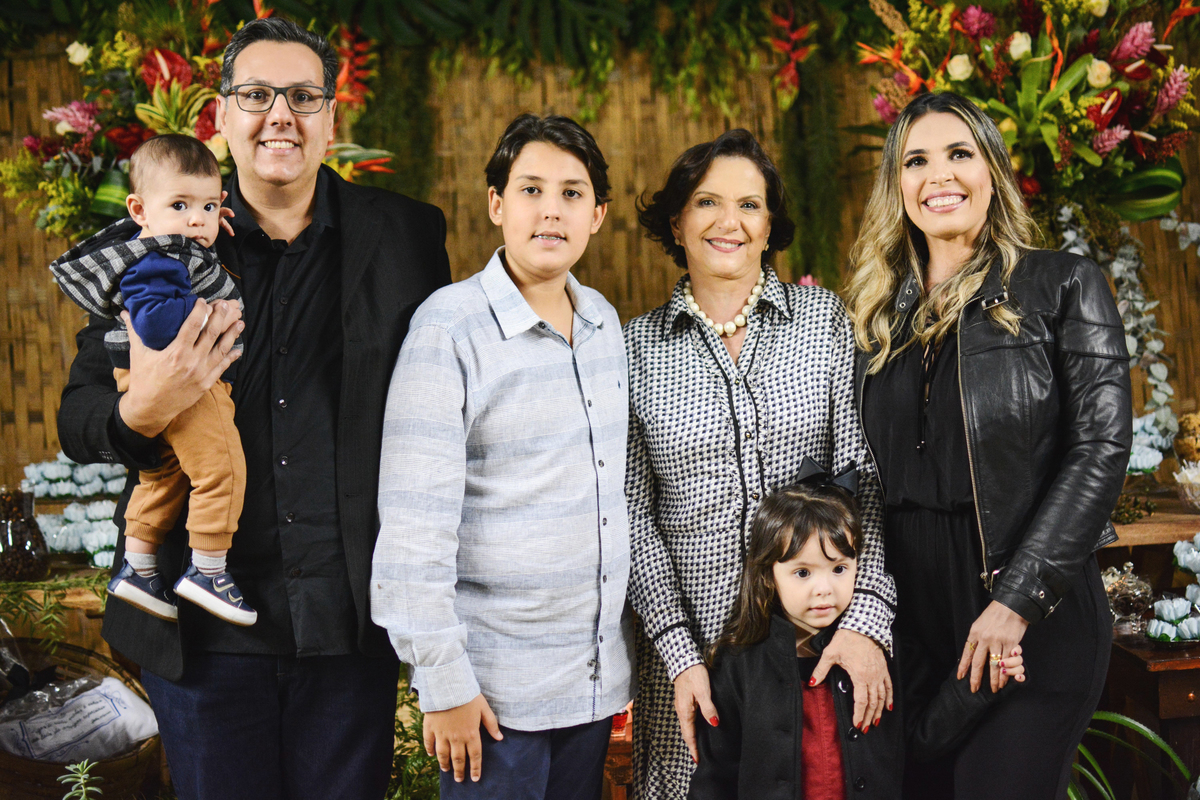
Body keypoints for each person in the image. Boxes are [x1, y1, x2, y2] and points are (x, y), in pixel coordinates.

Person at [57, 16, 451, 800]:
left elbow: (442, 414)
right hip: (202, 640)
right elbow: (78, 417)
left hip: (348, 626)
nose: (281, 115)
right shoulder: (166, 230)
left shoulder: (407, 234)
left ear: (331, 117)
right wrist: (143, 408)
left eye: (303, 96)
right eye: (257, 94)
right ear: (221, 114)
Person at [844, 91, 1131, 799]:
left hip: (1030, 616)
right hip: (914, 631)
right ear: (897, 185)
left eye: (959, 154)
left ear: (993, 172)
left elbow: (1100, 449)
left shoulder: (1062, 284)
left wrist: (1016, 602)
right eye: (916, 161)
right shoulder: (876, 316)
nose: (938, 175)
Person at [624, 129, 896, 799]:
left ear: (770, 224)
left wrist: (867, 620)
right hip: (697, 663)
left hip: (822, 655)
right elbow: (631, 518)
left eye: (750, 204)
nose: (730, 222)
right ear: (676, 222)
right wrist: (679, 654)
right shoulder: (635, 350)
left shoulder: (823, 322)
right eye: (707, 202)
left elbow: (867, 483)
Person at [371, 114, 634, 800]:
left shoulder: (604, 323)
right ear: (496, 204)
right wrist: (444, 684)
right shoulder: (448, 328)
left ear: (597, 215)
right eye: (531, 189)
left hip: (591, 686)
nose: (552, 210)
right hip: (492, 698)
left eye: (572, 193)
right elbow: (414, 525)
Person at [689, 465, 1026, 800]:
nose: (824, 588)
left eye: (839, 568)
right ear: (768, 575)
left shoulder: (890, 654)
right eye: (803, 572)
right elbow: (715, 778)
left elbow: (922, 740)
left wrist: (981, 681)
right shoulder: (737, 665)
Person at [50, 134, 255, 627]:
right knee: (222, 467)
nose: (196, 219)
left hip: (160, 376)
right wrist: (202, 308)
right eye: (180, 206)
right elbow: (157, 324)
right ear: (139, 210)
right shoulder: (158, 260)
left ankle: (138, 568)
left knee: (164, 473)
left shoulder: (176, 249)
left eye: (208, 206)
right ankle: (209, 569)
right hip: (186, 380)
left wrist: (199, 228)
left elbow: (192, 230)